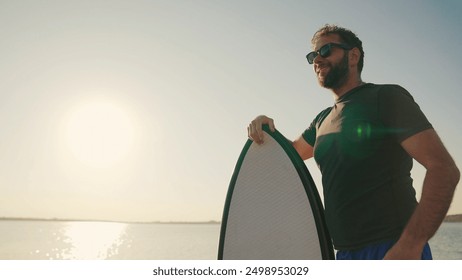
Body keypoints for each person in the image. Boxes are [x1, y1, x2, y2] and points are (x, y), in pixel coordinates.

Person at [247, 24, 460, 260]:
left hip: (392, 248)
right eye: (312, 55)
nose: (317, 59)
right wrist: (267, 131)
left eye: (326, 50)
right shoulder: (321, 120)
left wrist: (410, 246)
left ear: (353, 55)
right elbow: (290, 156)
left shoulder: (385, 97)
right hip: (344, 254)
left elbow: (444, 170)